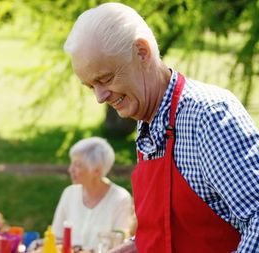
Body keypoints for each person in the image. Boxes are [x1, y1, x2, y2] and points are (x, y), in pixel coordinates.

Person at [63, 3, 259, 253]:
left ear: (142, 52)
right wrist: (136, 248)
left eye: (106, 79)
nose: (100, 97)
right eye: (91, 86)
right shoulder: (148, 122)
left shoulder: (208, 115)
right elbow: (172, 231)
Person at [51, 137, 134, 251]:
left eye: (77, 165)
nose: (71, 169)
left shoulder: (120, 198)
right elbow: (56, 238)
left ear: (97, 171)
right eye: (72, 164)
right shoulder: (69, 193)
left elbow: (119, 244)